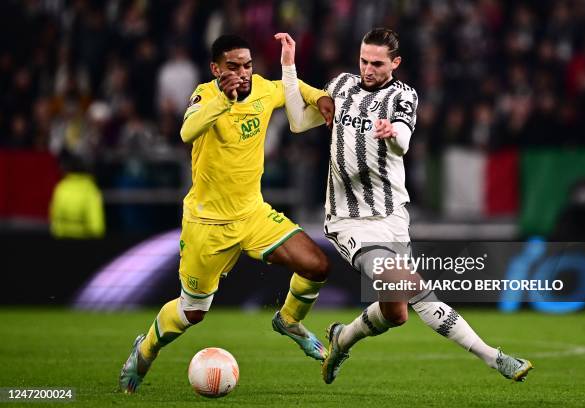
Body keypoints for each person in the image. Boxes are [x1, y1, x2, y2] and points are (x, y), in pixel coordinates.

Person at [277, 28, 533, 384]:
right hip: (349, 220)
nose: (368, 69)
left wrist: (390, 133)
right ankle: (493, 357)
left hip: (392, 216)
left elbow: (403, 141)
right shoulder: (340, 87)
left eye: (377, 63)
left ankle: (342, 338)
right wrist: (289, 67)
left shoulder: (403, 96)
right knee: (414, 286)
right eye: (364, 60)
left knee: (396, 312)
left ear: (395, 63)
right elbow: (297, 120)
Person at [119, 34, 335, 393]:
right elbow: (187, 130)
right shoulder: (205, 95)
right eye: (233, 66)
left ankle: (288, 320)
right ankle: (145, 350)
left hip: (252, 215)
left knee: (316, 265)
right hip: (207, 225)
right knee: (192, 313)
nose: (243, 73)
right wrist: (222, 98)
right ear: (216, 69)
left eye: (247, 65)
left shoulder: (264, 90)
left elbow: (295, 88)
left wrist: (321, 98)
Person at [49, 153, 105, 239]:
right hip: (86, 242)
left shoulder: (61, 187)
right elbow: (97, 225)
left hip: (63, 241)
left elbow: (55, 218)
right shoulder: (90, 189)